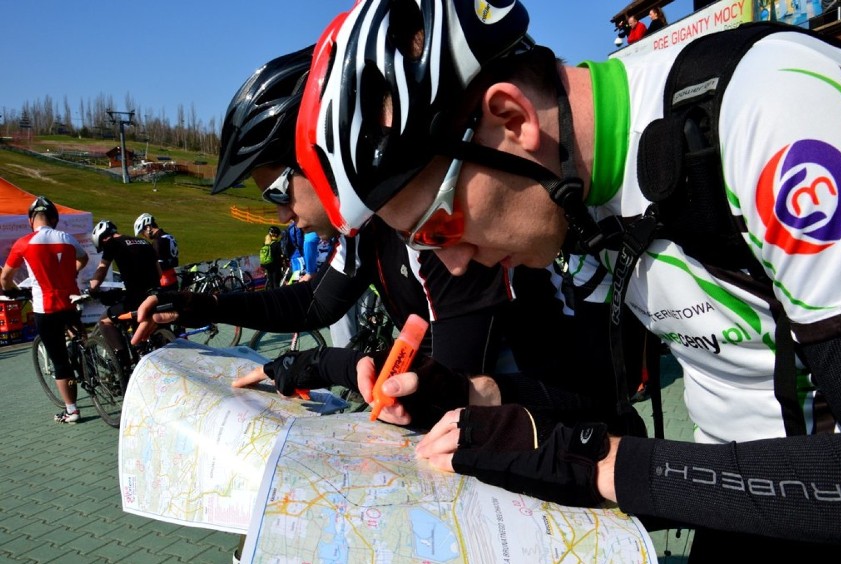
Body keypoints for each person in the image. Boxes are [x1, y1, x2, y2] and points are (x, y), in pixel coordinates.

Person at [295, 2, 841, 557]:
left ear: (513, 119)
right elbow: (600, 402)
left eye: (440, 227)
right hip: (742, 501)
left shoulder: (771, 111)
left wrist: (596, 465)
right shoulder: (572, 195)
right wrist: (475, 394)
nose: (456, 264)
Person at [132, 47, 586, 403]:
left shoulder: (436, 229)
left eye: (279, 193)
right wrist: (202, 305)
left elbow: (449, 389)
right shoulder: (365, 223)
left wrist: (320, 364)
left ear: (320, 162)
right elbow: (316, 303)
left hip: (546, 405)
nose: (282, 216)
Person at [1, 196, 89, 423]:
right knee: (82, 341)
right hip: (70, 303)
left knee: (61, 362)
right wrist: (72, 273)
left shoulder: (24, 243)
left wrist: (10, 290)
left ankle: (72, 410)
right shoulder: (67, 238)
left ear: (32, 220)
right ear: (53, 218)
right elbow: (84, 258)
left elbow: (5, 277)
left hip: (46, 309)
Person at [134, 213, 180, 291]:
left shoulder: (158, 242)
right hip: (173, 278)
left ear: (148, 227)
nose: (144, 236)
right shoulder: (168, 236)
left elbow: (158, 266)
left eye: (142, 232)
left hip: (164, 282)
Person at [260, 225, 285, 289]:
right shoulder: (277, 244)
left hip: (268, 265)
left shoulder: (266, 243)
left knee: (271, 283)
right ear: (276, 235)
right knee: (276, 283)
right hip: (276, 266)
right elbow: (282, 253)